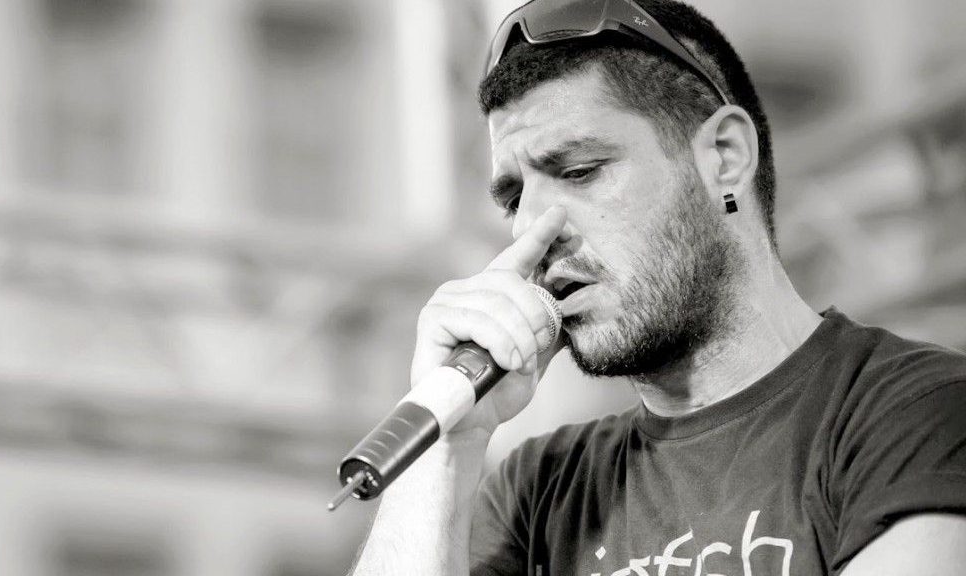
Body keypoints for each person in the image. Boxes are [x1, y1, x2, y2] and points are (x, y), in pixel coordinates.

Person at [348, 0, 966, 574]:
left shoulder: (912, 412)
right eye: (514, 200)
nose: (532, 231)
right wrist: (446, 447)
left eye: (579, 171)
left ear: (725, 157)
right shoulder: (536, 490)